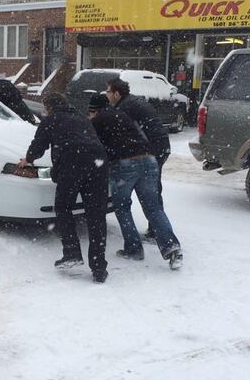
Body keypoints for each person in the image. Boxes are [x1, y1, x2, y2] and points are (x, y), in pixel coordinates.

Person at [18, 93, 109, 283]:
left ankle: (72, 252)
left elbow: (38, 145)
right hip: (98, 163)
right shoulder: (82, 118)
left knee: (63, 207)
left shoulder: (51, 119)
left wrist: (28, 159)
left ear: (49, 107)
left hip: (72, 163)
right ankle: (99, 267)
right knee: (96, 215)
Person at [88, 93, 183, 270]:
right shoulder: (122, 114)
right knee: (153, 207)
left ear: (93, 110)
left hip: (124, 164)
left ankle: (133, 249)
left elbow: (95, 148)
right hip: (149, 160)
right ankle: (172, 247)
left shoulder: (97, 120)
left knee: (122, 207)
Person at [105, 78, 170, 242]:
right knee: (153, 190)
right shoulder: (132, 101)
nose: (106, 95)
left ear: (116, 93)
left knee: (150, 192)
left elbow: (121, 134)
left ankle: (155, 232)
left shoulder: (124, 108)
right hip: (161, 144)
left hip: (152, 148)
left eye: (108, 91)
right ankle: (157, 231)